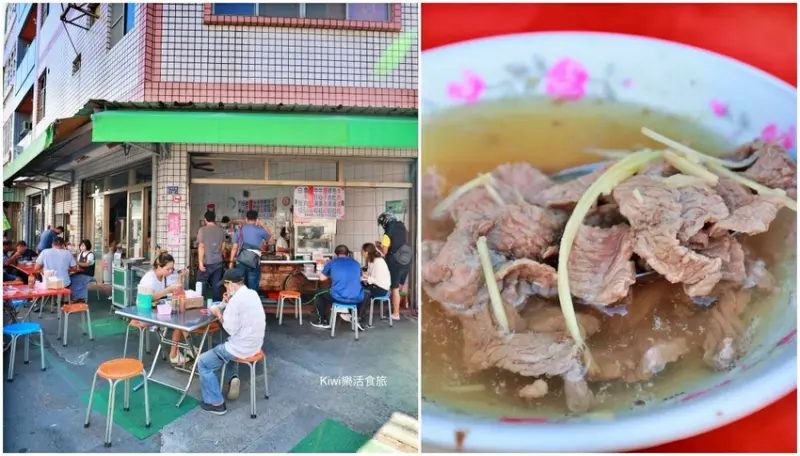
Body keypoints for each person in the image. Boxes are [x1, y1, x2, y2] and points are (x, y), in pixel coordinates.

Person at [197, 268, 266, 415]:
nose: (226, 288)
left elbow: (229, 328)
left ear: (231, 284)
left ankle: (216, 403)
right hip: (256, 344)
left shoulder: (237, 301)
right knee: (227, 345)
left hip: (241, 347)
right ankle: (232, 377)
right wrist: (228, 302)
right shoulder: (252, 293)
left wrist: (218, 313)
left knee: (204, 362)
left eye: (226, 285)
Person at [139, 252, 190, 365]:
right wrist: (168, 290)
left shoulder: (163, 276)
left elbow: (177, 289)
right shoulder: (149, 279)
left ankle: (188, 347)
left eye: (172, 269)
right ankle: (175, 353)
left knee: (181, 314)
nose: (170, 271)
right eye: (168, 269)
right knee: (179, 321)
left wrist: (181, 276)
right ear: (159, 266)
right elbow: (149, 299)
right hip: (145, 313)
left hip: (157, 309)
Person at [311, 245, 370, 330]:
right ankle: (358, 319)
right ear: (348, 254)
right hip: (356, 297)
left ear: (335, 254)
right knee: (366, 293)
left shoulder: (331, 262)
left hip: (338, 297)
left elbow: (322, 278)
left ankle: (323, 321)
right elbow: (360, 277)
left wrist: (332, 274)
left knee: (318, 294)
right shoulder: (356, 263)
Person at [378, 212, 411, 320]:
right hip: (407, 260)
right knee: (400, 285)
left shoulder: (387, 234)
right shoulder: (404, 229)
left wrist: (379, 246)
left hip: (395, 262)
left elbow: (385, 252)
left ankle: (396, 314)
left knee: (394, 288)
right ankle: (396, 307)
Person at [229, 210, 271, 292]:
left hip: (241, 261)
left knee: (240, 287)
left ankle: (242, 304)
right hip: (253, 262)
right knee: (253, 289)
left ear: (246, 219)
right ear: (257, 219)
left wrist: (231, 262)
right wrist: (263, 225)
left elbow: (234, 247)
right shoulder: (260, 230)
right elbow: (271, 239)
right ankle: (252, 303)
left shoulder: (240, 230)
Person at [197, 211, 225, 301]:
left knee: (201, 283)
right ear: (214, 219)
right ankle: (216, 305)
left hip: (207, 262)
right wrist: (219, 251)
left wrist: (200, 263)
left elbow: (201, 246)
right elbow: (223, 244)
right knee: (216, 284)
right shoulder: (220, 230)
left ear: (205, 220)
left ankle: (200, 304)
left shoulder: (202, 230)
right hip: (218, 262)